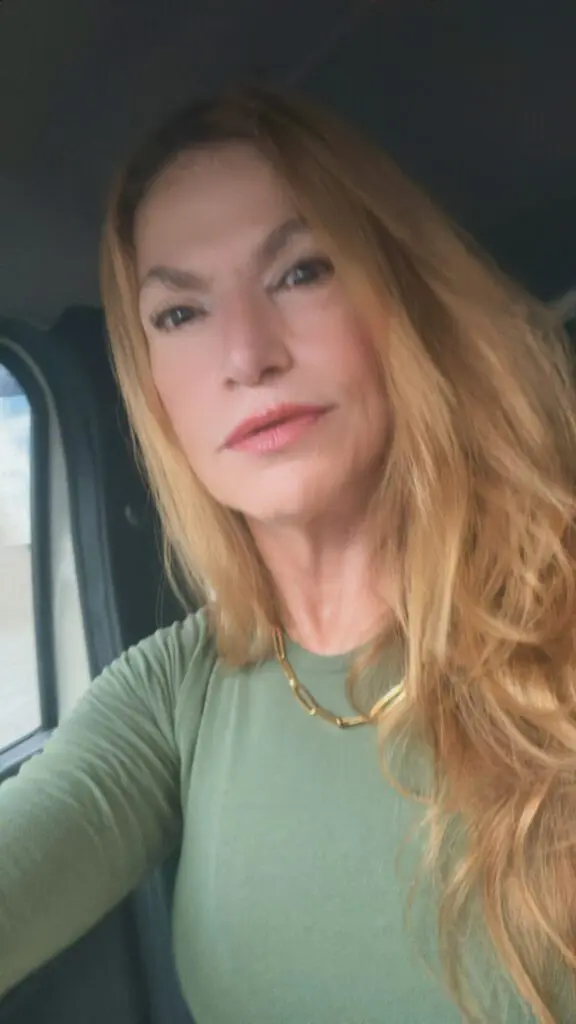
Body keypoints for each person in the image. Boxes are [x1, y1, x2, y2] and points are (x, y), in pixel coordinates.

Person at [1, 85, 576, 1024]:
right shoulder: (174, 693)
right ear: (155, 392)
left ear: (403, 304)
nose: (246, 354)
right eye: (179, 315)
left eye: (302, 271)